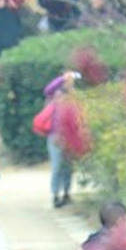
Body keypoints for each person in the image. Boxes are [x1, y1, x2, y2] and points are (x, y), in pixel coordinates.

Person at [36, 70, 80, 208]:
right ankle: (55, 194)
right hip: (55, 135)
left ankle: (66, 193)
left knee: (68, 167)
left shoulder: (73, 98)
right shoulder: (53, 96)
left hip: (69, 137)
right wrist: (62, 78)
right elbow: (48, 89)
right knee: (57, 166)